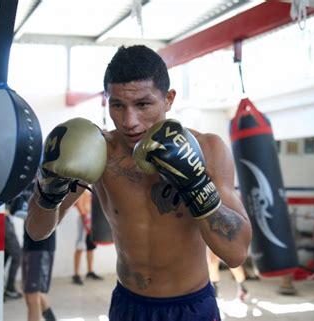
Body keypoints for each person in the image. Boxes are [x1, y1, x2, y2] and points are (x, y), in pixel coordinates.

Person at [26, 45, 252, 321]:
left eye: (143, 104)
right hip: (129, 305)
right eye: (117, 105)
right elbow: (37, 231)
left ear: (168, 99)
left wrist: (196, 186)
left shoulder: (208, 149)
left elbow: (237, 253)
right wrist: (48, 189)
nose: (129, 121)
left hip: (191, 307)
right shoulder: (98, 152)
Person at [13, 183, 57, 321]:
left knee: (32, 296)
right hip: (28, 245)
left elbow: (53, 214)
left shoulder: (50, 182)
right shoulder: (24, 185)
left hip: (41, 246)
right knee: (31, 295)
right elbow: (14, 209)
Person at [72, 190, 103, 285]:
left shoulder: (92, 188)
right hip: (83, 218)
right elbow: (77, 203)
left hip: (91, 218)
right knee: (80, 246)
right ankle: (76, 274)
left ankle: (90, 271)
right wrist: (83, 215)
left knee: (90, 246)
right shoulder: (81, 187)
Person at [3, 203, 23, 300]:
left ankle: (0, 288)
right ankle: (9, 288)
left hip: (4, 219)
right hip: (3, 219)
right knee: (17, 254)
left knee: (4, 255)